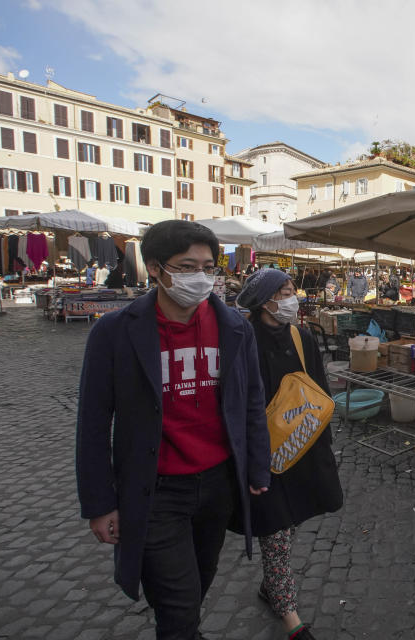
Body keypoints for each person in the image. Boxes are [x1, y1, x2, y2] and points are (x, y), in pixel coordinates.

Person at [75, 220, 270, 640]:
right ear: (155, 269)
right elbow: (93, 421)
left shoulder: (236, 328)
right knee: (179, 606)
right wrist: (98, 502)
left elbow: (251, 401)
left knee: (197, 585)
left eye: (207, 266)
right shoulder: (113, 332)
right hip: (155, 490)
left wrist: (257, 468)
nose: (200, 277)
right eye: (186, 267)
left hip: (217, 485)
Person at [236, 269, 343, 640]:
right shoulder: (243, 339)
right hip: (264, 457)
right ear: (265, 300)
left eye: (291, 290)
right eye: (284, 291)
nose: (292, 297)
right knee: (276, 532)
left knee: (288, 525)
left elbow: (320, 391)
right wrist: (250, 463)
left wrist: (324, 447)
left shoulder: (302, 336)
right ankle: (291, 620)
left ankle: (271, 588)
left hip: (301, 451)